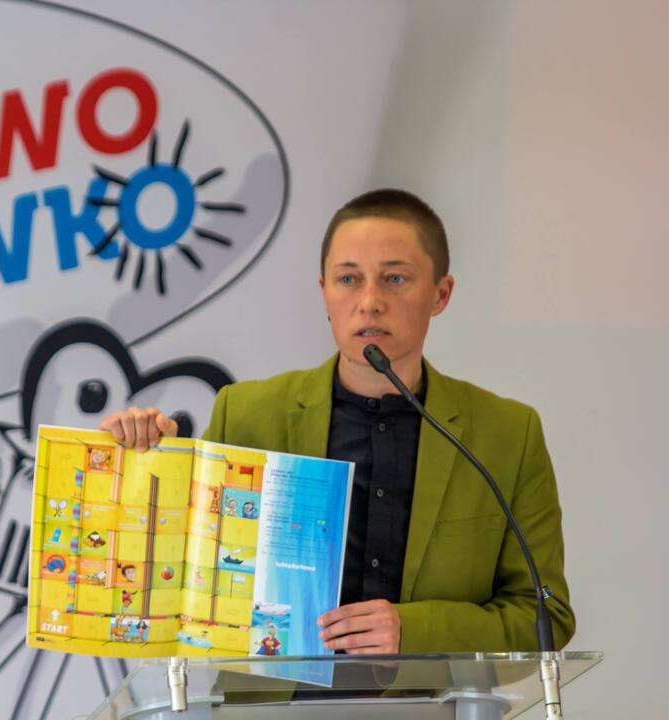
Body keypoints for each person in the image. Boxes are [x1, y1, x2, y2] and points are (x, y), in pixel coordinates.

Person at [100, 189, 575, 653]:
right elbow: (180, 585)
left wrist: (414, 632)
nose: (369, 301)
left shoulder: (506, 434)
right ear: (323, 291)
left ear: (440, 293)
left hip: (435, 698)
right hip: (280, 697)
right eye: (348, 279)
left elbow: (545, 616)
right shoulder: (246, 417)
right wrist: (148, 465)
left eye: (395, 278)